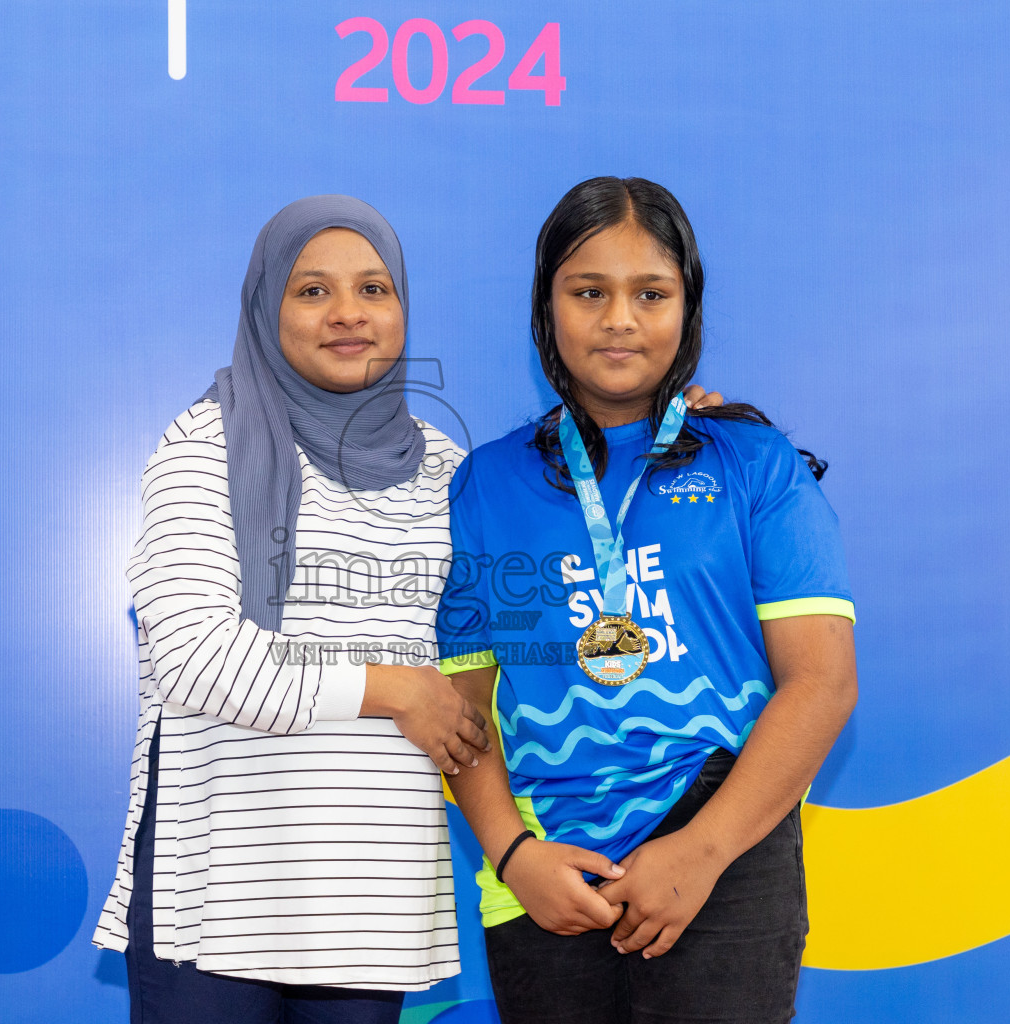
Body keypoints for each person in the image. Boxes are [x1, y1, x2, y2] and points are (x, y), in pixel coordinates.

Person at [439, 177, 858, 1024]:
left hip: (722, 848)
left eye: (651, 294)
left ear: (687, 307)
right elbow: (464, 703)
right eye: (588, 292)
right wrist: (513, 852)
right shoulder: (488, 482)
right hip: (547, 872)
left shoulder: (754, 464)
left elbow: (822, 682)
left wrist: (700, 851)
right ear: (546, 307)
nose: (619, 319)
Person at [90, 195, 493, 1024]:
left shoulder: (449, 470)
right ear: (266, 304)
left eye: (374, 289)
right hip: (217, 905)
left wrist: (674, 428)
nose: (348, 314)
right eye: (313, 291)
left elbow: (506, 613)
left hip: (366, 907)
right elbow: (198, 660)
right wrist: (394, 689)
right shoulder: (206, 445)